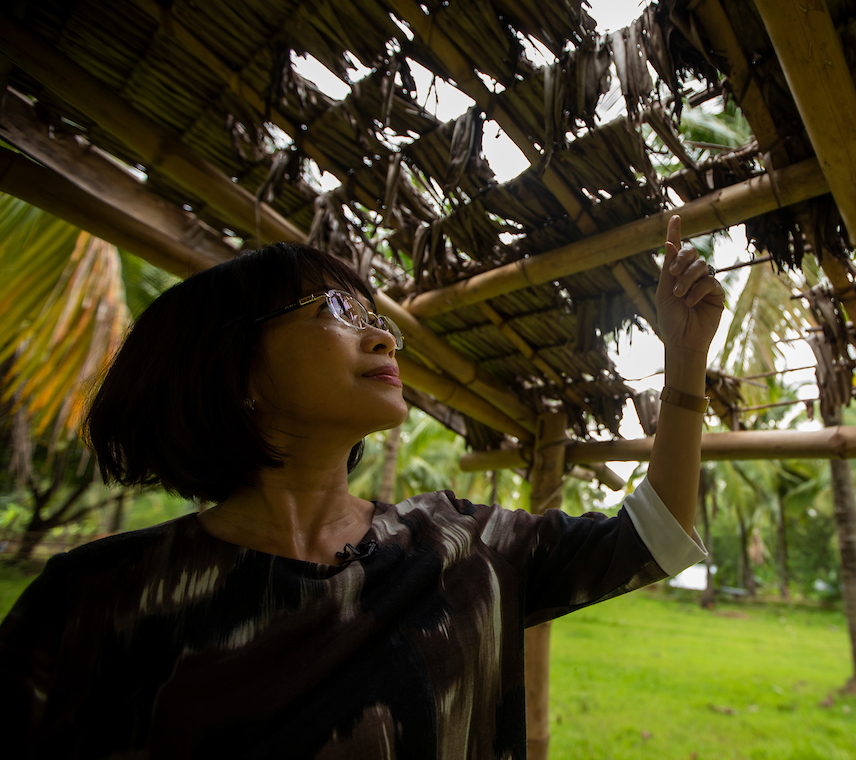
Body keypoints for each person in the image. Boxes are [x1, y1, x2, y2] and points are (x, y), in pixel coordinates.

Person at [0, 215, 724, 758]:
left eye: (379, 320)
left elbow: (651, 537)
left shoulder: (460, 542)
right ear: (237, 368)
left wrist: (684, 365)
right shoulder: (90, 607)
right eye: (338, 313)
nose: (381, 338)